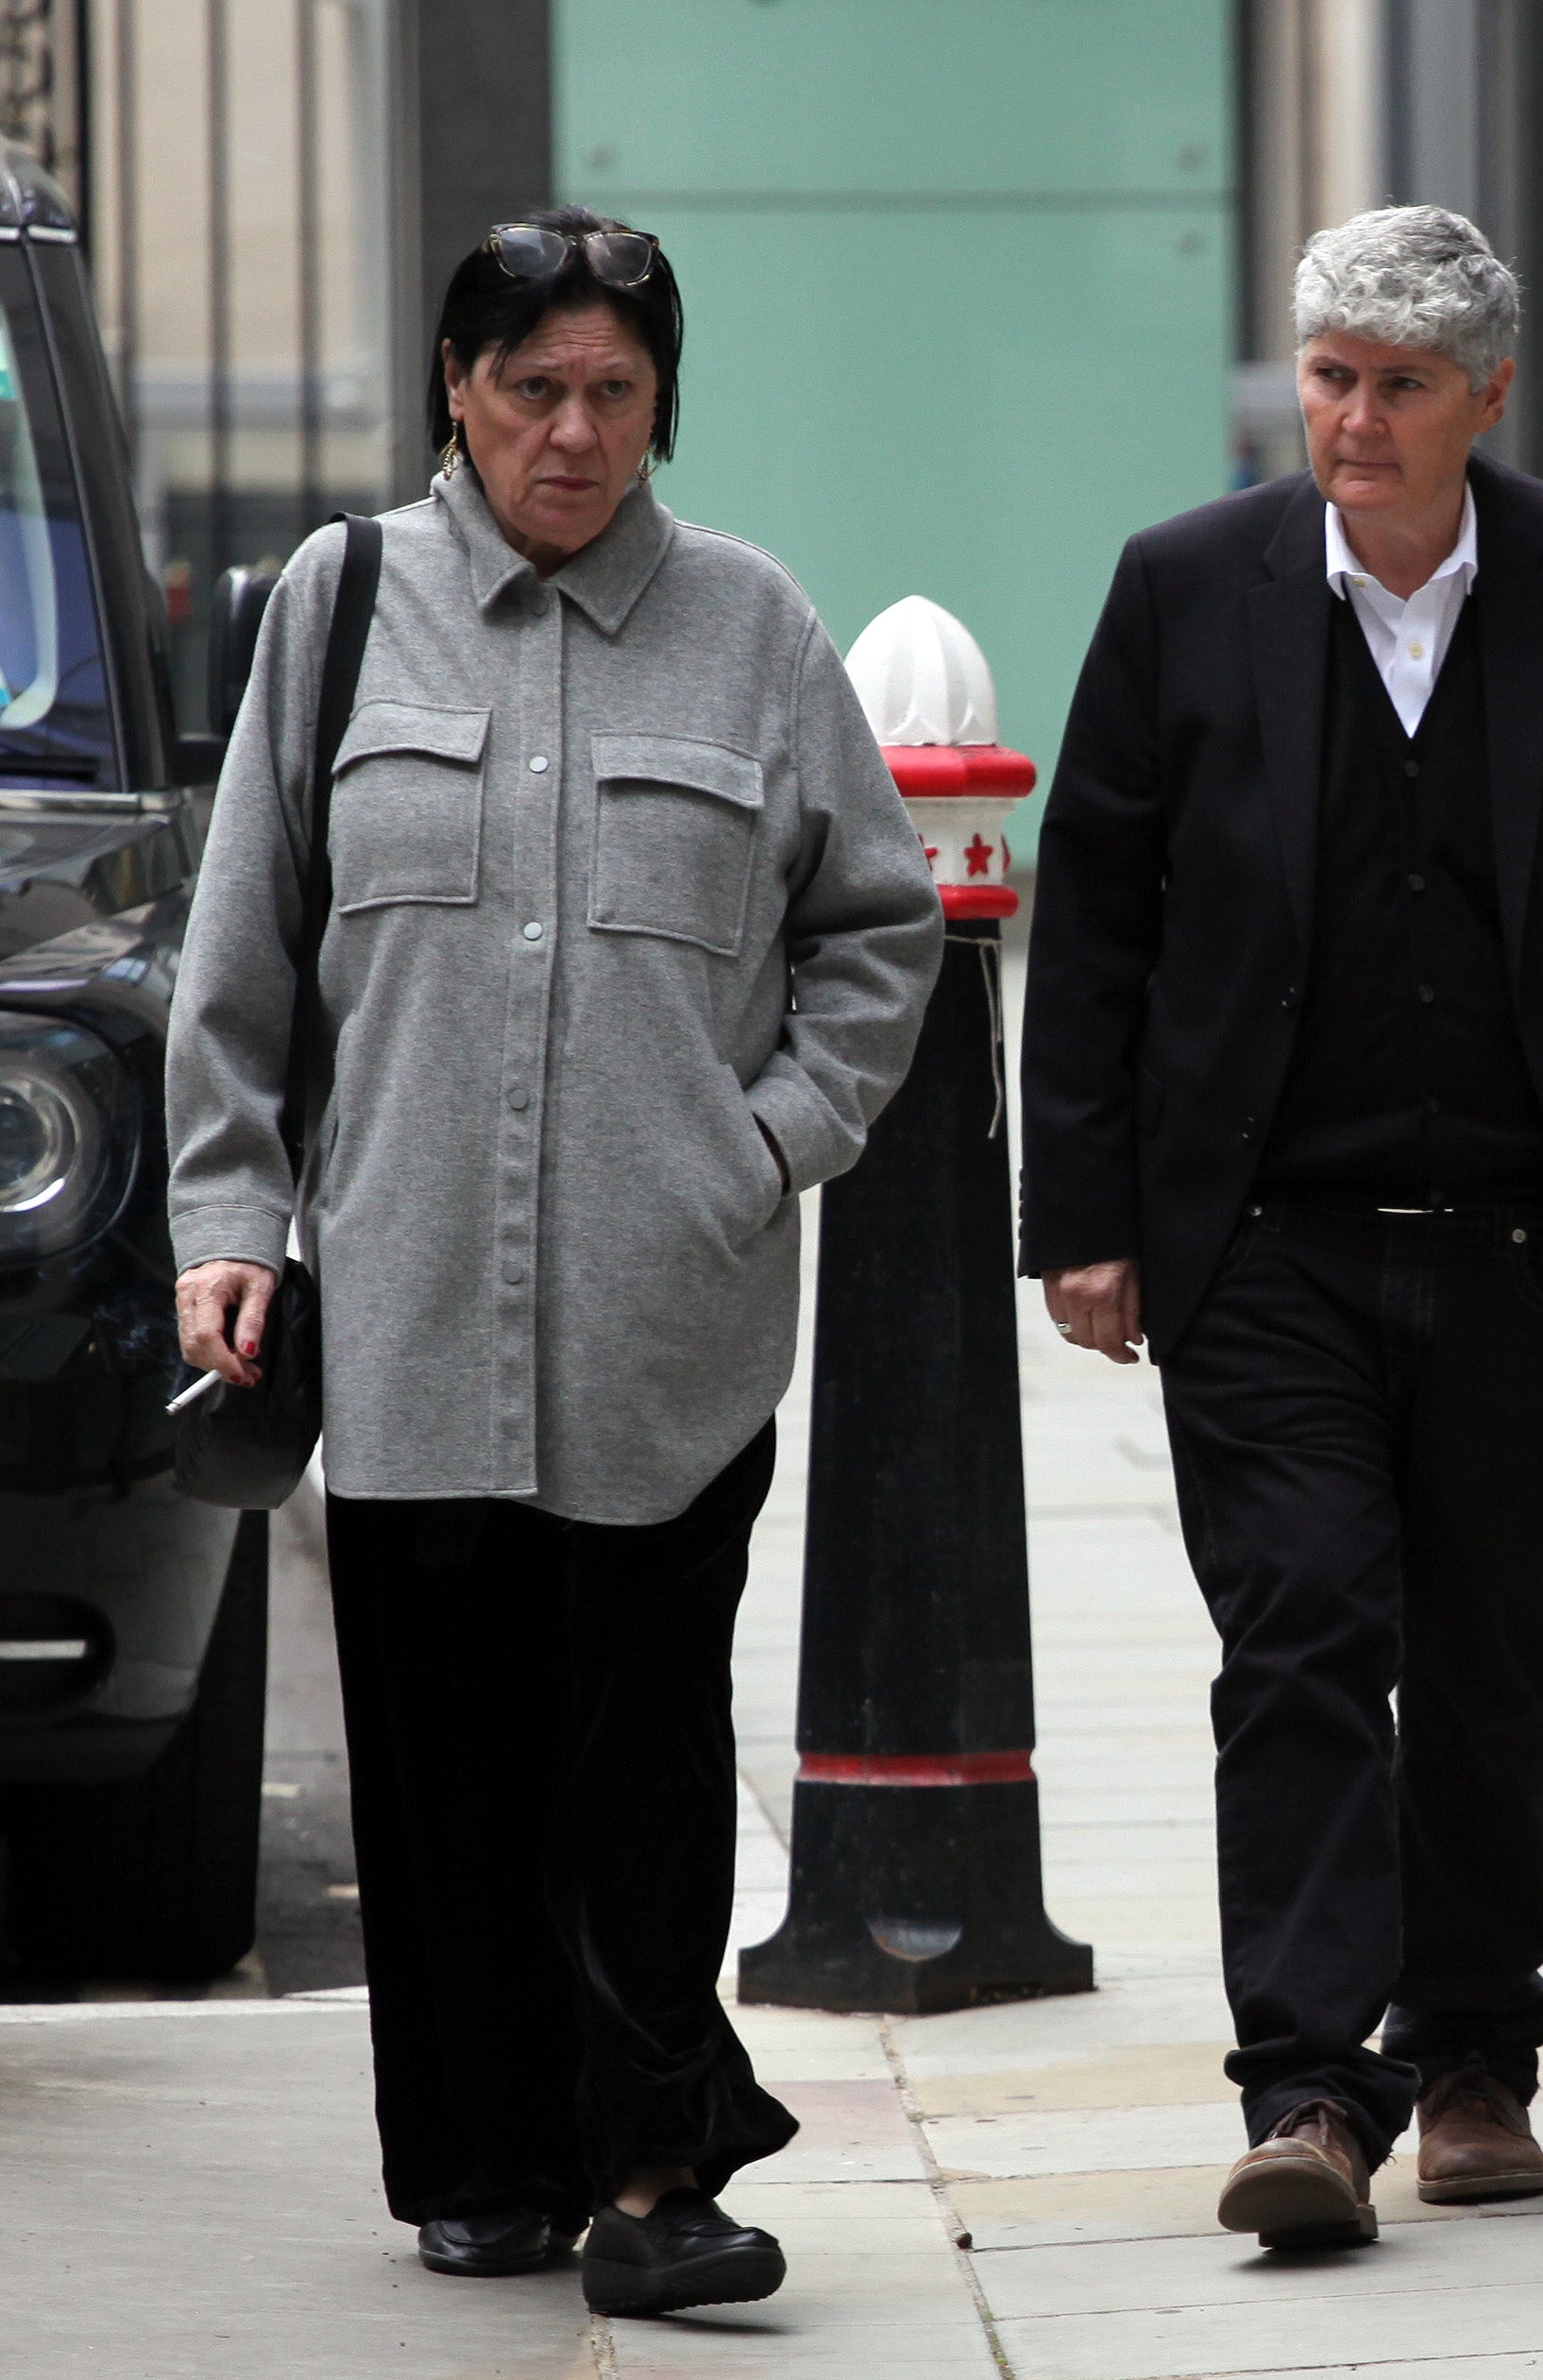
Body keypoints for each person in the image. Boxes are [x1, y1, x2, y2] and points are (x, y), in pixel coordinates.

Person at [166, 207, 942, 2314]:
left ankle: (655, 2171)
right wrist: (229, 1221)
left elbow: (882, 930)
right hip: (410, 1305)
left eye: (612, 391)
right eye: (532, 389)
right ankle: (481, 2165)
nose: (572, 433)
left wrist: (766, 1145)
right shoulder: (337, 611)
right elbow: (234, 969)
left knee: (642, 1764)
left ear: (661, 401)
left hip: (669, 1325)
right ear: (456, 385)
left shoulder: (755, 628)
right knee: (444, 1767)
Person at [1020, 205, 1543, 2249]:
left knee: (1496, 1652)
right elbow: (1094, 910)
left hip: (1534, 1244)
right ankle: (1306, 2095)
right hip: (1267, 1242)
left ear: (1486, 399)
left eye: (1398, 387)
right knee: (1301, 1638)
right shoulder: (1183, 588)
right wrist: (1081, 1211)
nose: (1351, 421)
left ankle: (1472, 2058)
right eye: (1330, 376)